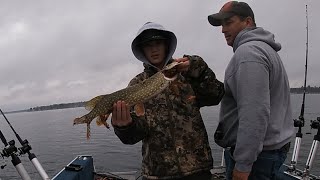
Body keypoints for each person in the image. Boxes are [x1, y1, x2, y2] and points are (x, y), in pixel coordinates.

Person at [111, 22, 224, 180]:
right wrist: (124, 127)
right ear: (142, 50)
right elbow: (132, 137)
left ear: (167, 45)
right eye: (148, 45)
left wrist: (199, 69)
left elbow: (216, 95)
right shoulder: (137, 84)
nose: (154, 49)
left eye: (158, 43)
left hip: (197, 168)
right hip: (157, 173)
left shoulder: (187, 72)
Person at [207, 1, 294, 180]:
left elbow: (254, 113)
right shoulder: (264, 49)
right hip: (269, 153)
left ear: (247, 22)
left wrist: (243, 166)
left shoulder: (248, 54)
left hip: (257, 160)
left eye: (228, 22)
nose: (223, 30)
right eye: (221, 25)